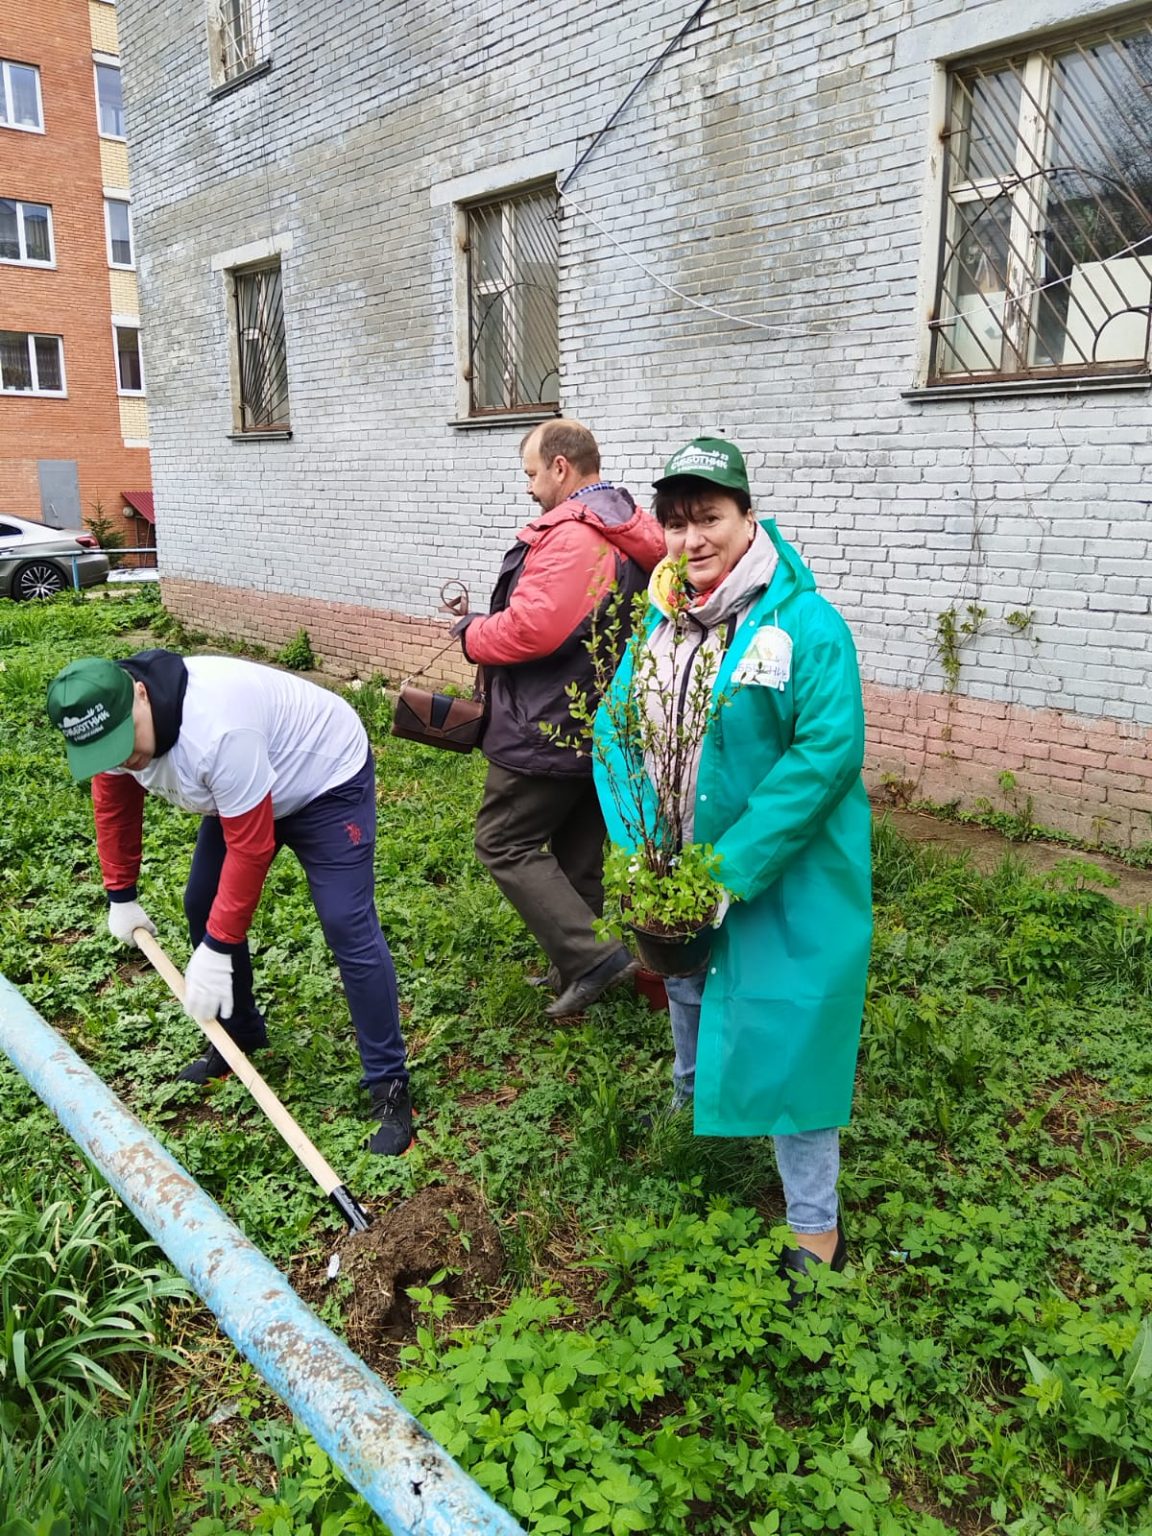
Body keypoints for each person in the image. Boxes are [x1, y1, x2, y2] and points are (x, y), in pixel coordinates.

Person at [592, 436, 873, 1299]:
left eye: (708, 518)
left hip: (785, 874)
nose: (690, 540)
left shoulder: (802, 624)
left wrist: (727, 866)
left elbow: (827, 753)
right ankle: (689, 1100)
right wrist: (641, 844)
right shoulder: (661, 620)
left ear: (749, 517)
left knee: (793, 1028)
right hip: (677, 864)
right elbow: (613, 730)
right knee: (685, 983)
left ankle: (813, 1222)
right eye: (674, 523)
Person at [45, 649, 413, 1156]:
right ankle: (239, 1035)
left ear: (141, 693)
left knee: (344, 922)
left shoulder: (216, 729)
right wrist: (121, 894)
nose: (124, 760)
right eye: (106, 752)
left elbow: (252, 846)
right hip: (241, 791)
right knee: (201, 902)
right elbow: (114, 802)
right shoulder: (108, 728)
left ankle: (388, 1084)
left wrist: (218, 948)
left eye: (126, 743)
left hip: (322, 779)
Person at [453, 418, 666, 1017]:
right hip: (601, 718)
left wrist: (474, 635)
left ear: (561, 468)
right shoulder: (623, 531)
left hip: (549, 718)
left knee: (502, 840)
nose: (528, 488)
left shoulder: (575, 534)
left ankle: (593, 958)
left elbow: (534, 628)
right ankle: (576, 969)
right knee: (576, 852)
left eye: (531, 473)